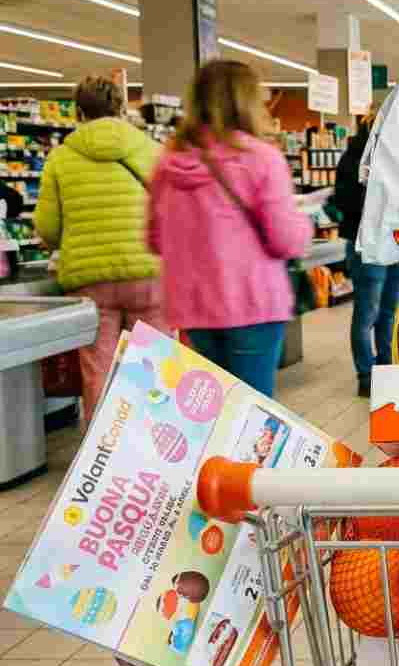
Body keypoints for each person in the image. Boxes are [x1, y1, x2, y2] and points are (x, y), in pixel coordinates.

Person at [149, 60, 313, 396]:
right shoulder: (262, 158)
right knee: (252, 412)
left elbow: (154, 238)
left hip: (194, 307)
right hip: (253, 302)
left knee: (215, 408)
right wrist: (303, 225)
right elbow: (285, 241)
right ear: (248, 101)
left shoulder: (168, 163)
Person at [34, 76, 166, 427]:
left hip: (89, 280)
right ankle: (155, 444)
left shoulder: (61, 158)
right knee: (152, 364)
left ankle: (103, 454)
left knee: (99, 370)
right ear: (121, 107)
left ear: (78, 111)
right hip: (148, 271)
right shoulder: (150, 149)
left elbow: (47, 227)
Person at [334, 111, 399, 398]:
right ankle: (366, 374)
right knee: (367, 313)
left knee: (388, 311)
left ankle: (386, 368)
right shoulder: (354, 158)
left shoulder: (396, 153)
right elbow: (344, 200)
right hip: (366, 245)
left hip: (393, 245)